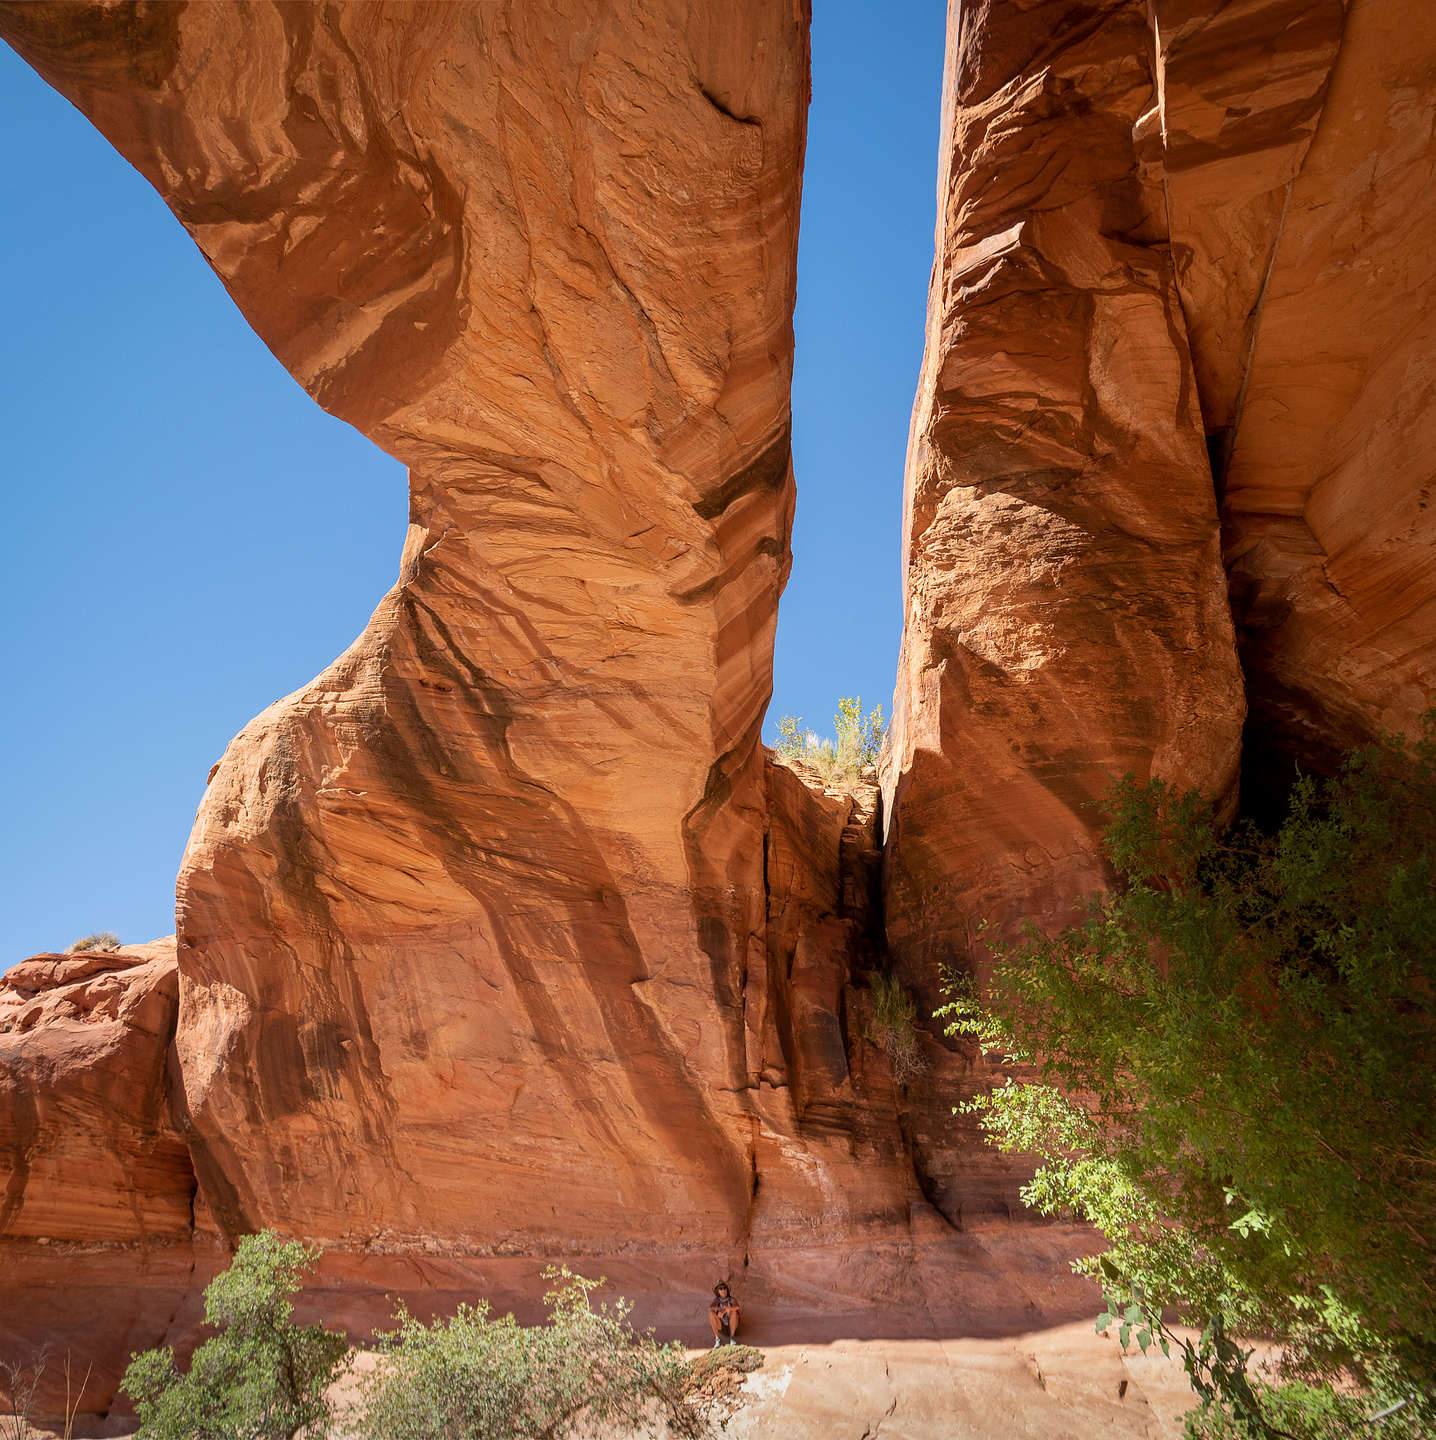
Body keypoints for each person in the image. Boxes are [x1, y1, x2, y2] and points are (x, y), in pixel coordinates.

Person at [708, 1280, 741, 1347]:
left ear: (727, 1290)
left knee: (734, 1313)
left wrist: (728, 1310)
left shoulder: (731, 1299)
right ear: (718, 1291)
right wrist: (718, 1312)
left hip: (732, 1326)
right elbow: (710, 1308)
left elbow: (737, 1307)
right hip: (722, 1327)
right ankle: (717, 1339)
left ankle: (732, 1338)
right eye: (721, 1288)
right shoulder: (716, 1300)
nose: (723, 1290)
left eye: (724, 1288)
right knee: (711, 1313)